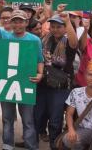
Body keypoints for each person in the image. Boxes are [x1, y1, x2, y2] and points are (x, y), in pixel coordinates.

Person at [0, 0, 44, 150]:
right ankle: (7, 145)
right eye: (14, 21)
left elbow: (39, 59)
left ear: (26, 23)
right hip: (7, 83)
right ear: (10, 22)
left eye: (20, 21)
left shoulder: (34, 40)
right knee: (7, 118)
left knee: (28, 120)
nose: (17, 24)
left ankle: (31, 146)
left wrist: (41, 74)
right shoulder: (3, 35)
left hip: (26, 82)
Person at [34, 13, 78, 150]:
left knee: (55, 119)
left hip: (61, 87)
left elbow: (75, 42)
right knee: (37, 115)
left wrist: (67, 21)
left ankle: (55, 145)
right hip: (42, 84)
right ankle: (32, 143)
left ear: (65, 28)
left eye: (59, 27)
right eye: (52, 26)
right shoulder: (44, 40)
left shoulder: (69, 43)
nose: (55, 29)